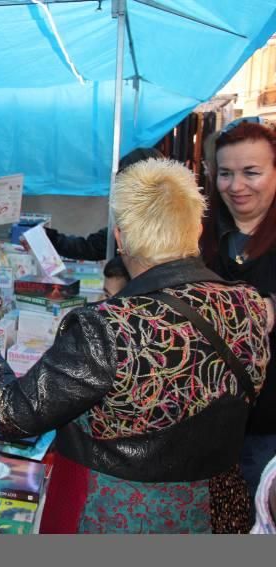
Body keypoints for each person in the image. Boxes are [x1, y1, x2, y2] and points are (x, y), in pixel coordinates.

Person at [0, 158, 271, 533]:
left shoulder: (108, 325)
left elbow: (14, 413)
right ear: (196, 227)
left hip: (121, 512)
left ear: (121, 238)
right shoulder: (250, 305)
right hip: (218, 510)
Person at [200, 118, 276, 496]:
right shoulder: (200, 228)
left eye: (252, 172)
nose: (237, 186)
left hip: (267, 427)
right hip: (205, 421)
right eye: (226, 173)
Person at [45, 147, 165, 260]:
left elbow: (88, 248)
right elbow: (90, 247)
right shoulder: (127, 223)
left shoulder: (169, 224)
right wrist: (48, 237)